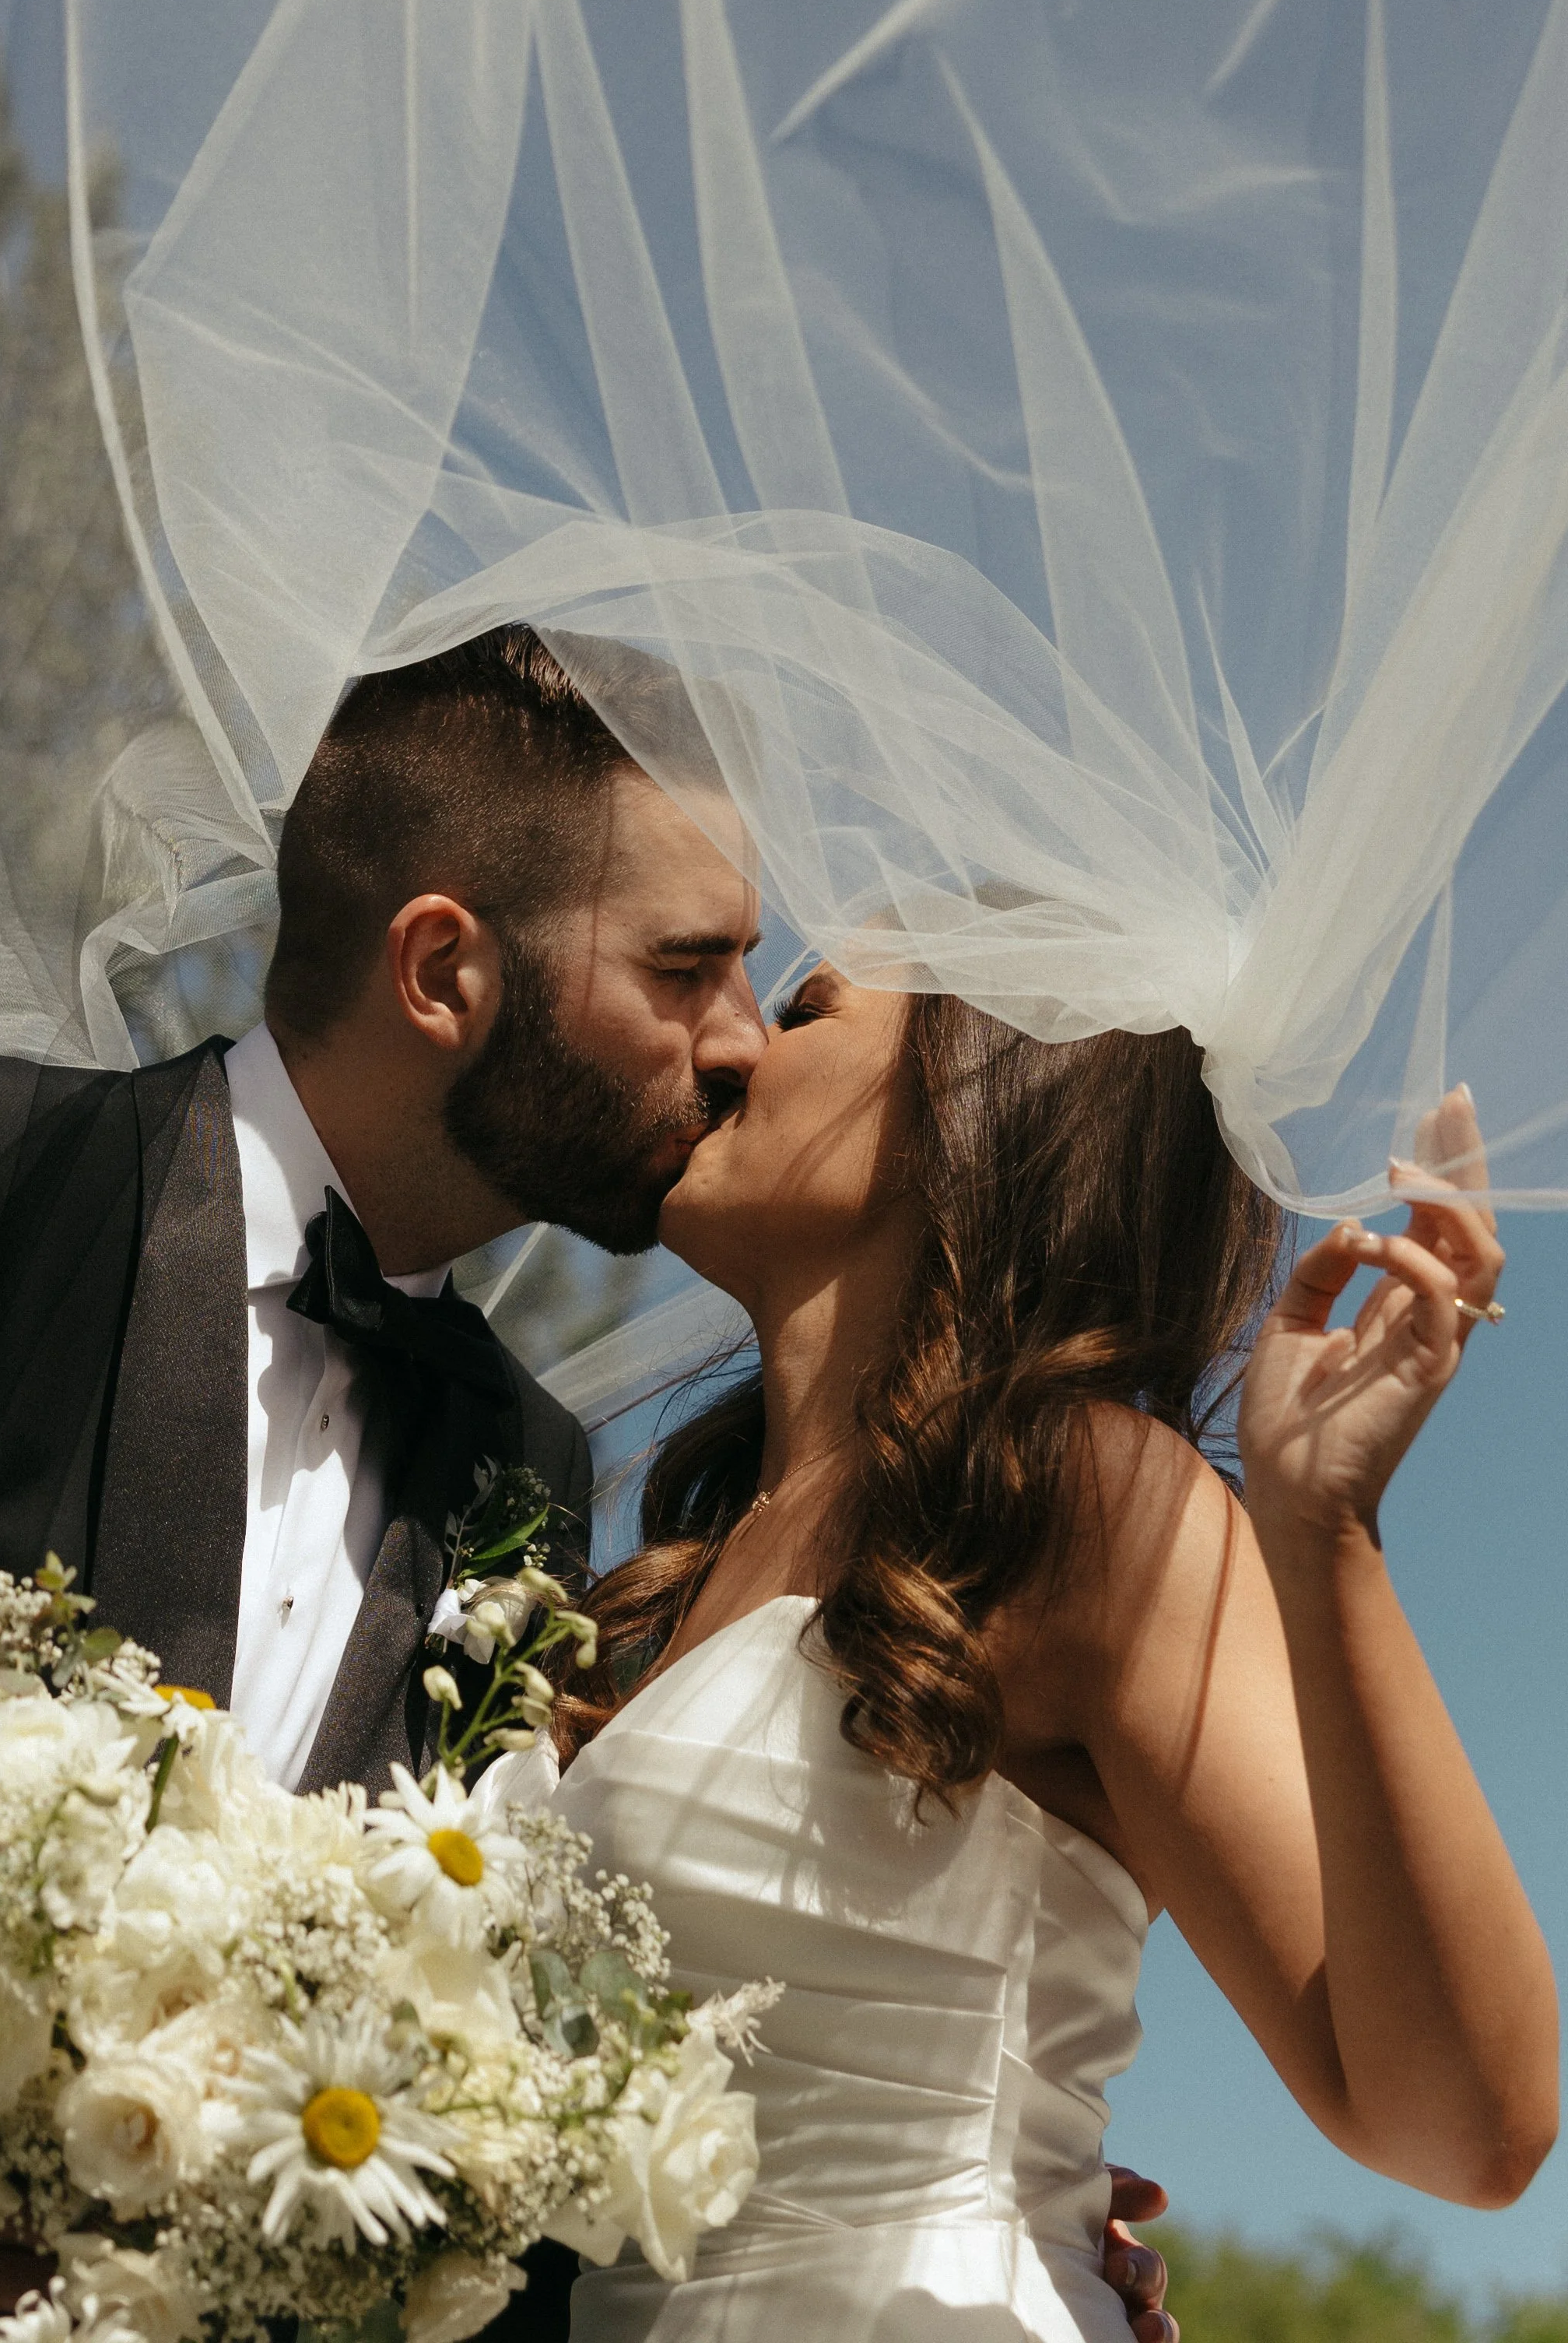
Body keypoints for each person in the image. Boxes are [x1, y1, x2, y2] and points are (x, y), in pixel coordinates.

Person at [0, 633, 1174, 2343]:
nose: (739, 1045)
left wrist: (964, 2221)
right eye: (688, 968)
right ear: (443, 971)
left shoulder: (534, 1470)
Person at [545, 970, 1557, 2340]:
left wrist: (1326, 1533)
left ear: (970, 1098)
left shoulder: (1075, 1496)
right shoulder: (673, 1579)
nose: (725, 1038)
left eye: (801, 1012)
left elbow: (1468, 2129)